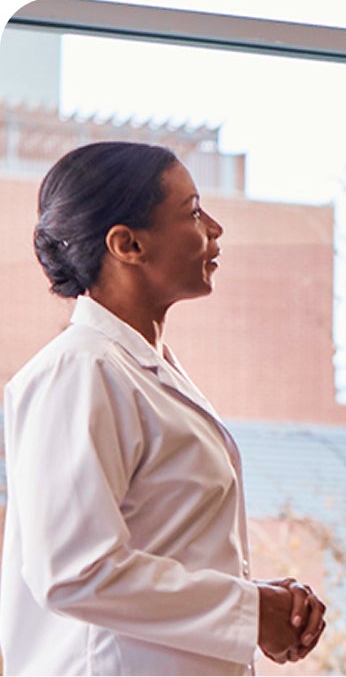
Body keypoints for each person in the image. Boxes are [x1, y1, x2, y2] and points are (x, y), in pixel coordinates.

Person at [0, 141, 327, 675]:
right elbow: (73, 571)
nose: (215, 229)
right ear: (127, 244)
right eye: (193, 212)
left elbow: (167, 551)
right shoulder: (81, 370)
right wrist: (250, 610)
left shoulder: (141, 371)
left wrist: (260, 604)